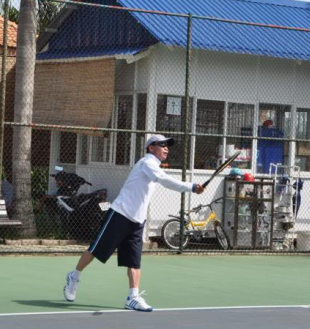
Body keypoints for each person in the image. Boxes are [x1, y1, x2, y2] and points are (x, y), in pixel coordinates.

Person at [63, 134, 205, 312]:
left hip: (137, 221)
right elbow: (165, 181)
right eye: (162, 145)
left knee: (134, 261)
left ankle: (133, 297)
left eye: (168, 145)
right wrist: (191, 187)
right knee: (95, 250)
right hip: (120, 214)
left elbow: (163, 180)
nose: (166, 148)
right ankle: (74, 277)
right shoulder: (147, 163)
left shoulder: (155, 166)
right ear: (151, 148)